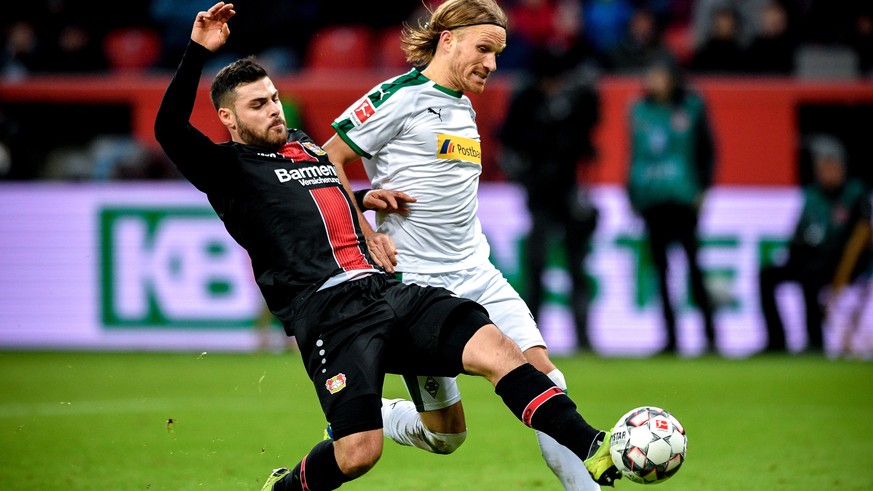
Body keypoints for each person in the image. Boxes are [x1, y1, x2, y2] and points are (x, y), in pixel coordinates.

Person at [153, 3, 622, 490]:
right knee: (359, 453)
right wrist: (196, 50)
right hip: (329, 313)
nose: (273, 109)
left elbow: (307, 198)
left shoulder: (299, 147)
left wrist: (361, 198)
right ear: (228, 119)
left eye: (273, 98)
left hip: (384, 291)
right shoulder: (226, 170)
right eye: (258, 105)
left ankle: (595, 446)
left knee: (500, 350)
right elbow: (168, 129)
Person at [321, 1, 602, 489]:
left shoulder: (464, 106)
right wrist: (365, 230)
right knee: (446, 437)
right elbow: (330, 159)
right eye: (484, 49)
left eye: (498, 53)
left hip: (478, 272)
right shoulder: (399, 96)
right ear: (448, 40)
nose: (492, 64)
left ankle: (590, 480)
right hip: (420, 289)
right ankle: (380, 416)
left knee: (546, 379)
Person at [498, 47, 600, 354]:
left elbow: (589, 134)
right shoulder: (527, 101)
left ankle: (582, 338)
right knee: (538, 267)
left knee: (575, 268)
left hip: (566, 195)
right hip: (542, 195)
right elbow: (509, 140)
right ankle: (532, 341)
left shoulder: (575, 100)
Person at [625, 54, 718, 355]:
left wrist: (703, 189)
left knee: (693, 268)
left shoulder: (692, 106)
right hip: (652, 201)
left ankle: (710, 337)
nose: (654, 82)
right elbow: (634, 155)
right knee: (661, 273)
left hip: (683, 200)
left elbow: (708, 150)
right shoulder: (639, 111)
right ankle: (671, 339)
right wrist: (632, 193)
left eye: (660, 75)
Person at [758, 135, 872, 354]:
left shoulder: (856, 194)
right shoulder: (811, 195)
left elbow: (863, 234)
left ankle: (815, 342)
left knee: (810, 278)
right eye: (823, 168)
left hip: (843, 262)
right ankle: (776, 341)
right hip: (810, 258)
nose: (827, 173)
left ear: (842, 169)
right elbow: (799, 233)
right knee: (767, 275)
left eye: (832, 168)